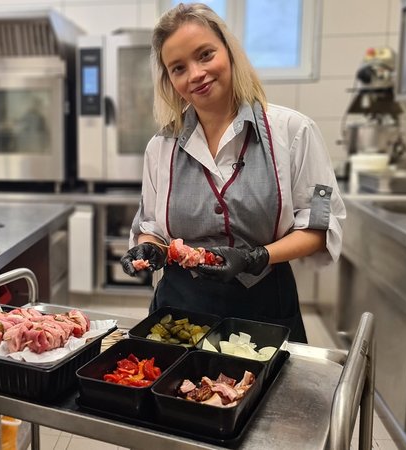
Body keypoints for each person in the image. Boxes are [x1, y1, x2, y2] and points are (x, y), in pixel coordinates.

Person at [119, 3, 346, 343]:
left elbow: (317, 227)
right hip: (178, 312)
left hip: (265, 308)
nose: (195, 74)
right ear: (170, 79)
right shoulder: (160, 147)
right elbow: (150, 228)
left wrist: (256, 257)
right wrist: (148, 248)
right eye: (178, 68)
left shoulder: (294, 131)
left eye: (205, 55)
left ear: (229, 51)